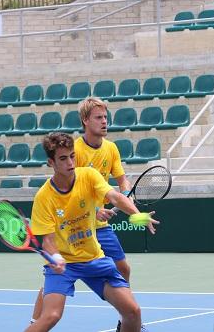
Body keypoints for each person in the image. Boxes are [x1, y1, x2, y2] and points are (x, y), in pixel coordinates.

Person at [31, 97, 155, 331]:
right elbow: (50, 236)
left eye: (105, 117)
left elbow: (118, 190)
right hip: (72, 240)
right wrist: (96, 210)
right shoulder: (50, 186)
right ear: (85, 121)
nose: (104, 121)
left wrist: (133, 208)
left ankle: (124, 318)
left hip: (94, 242)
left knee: (127, 284)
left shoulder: (105, 154)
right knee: (52, 307)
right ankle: (35, 320)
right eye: (99, 117)